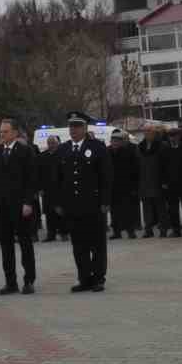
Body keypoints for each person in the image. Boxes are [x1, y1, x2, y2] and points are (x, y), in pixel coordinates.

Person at [56, 111, 113, 292]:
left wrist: (105, 201)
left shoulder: (97, 147)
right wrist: (58, 202)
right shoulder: (63, 149)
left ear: (85, 128)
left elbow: (106, 177)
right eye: (71, 126)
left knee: (97, 243)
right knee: (78, 244)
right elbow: (57, 179)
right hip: (72, 206)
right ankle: (84, 277)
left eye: (77, 126)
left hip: (94, 204)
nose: (73, 130)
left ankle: (98, 278)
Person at [0, 118, 38, 295]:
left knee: (25, 244)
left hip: (20, 205)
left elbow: (31, 179)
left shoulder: (25, 151)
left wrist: (28, 202)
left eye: (5, 132)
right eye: (0, 132)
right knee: (5, 246)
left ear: (14, 133)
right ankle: (10, 282)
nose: (2, 135)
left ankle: (29, 280)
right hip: (1, 206)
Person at [107, 131, 140, 240]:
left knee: (127, 210)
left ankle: (130, 231)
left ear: (121, 142)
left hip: (126, 186)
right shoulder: (107, 152)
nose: (115, 143)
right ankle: (117, 232)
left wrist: (134, 186)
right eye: (113, 141)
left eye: (117, 141)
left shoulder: (128, 152)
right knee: (114, 211)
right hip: (112, 187)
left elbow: (135, 169)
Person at [136, 126, 166, 238]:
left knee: (160, 207)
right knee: (146, 207)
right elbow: (137, 165)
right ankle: (148, 229)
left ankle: (163, 228)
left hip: (157, 180)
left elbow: (165, 165)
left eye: (150, 132)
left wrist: (164, 180)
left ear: (155, 134)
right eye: (146, 132)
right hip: (144, 181)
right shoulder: (140, 147)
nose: (147, 134)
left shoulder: (161, 146)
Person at [39, 136, 68, 243]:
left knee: (60, 212)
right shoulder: (43, 156)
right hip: (47, 189)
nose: (51, 145)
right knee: (49, 213)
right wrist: (40, 188)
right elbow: (39, 173)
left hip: (60, 189)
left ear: (58, 143)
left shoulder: (63, 155)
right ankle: (51, 234)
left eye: (53, 143)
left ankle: (64, 233)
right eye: (49, 143)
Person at [160, 125, 182, 237]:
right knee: (172, 209)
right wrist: (163, 182)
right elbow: (161, 167)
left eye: (175, 136)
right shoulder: (165, 150)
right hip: (170, 184)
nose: (173, 138)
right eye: (170, 136)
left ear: (179, 136)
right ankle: (176, 230)